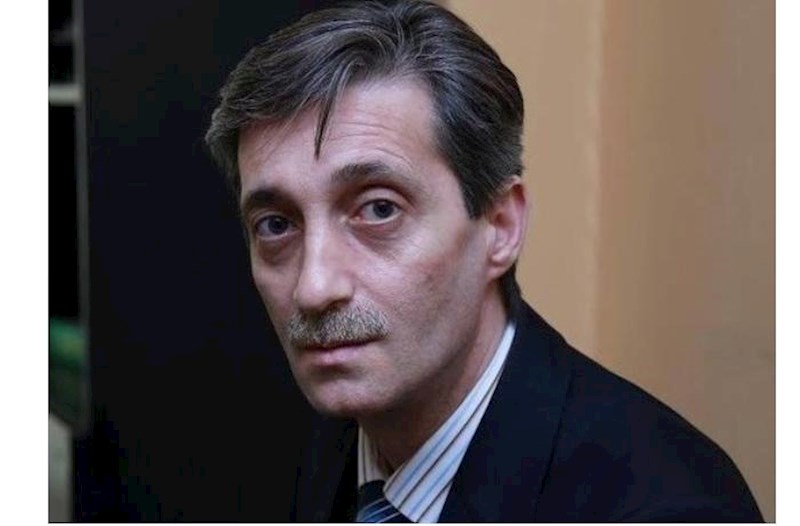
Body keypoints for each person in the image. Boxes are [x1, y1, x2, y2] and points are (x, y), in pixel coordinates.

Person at [204, 0, 762, 522]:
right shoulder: (334, 439)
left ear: (500, 227)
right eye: (276, 225)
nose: (314, 286)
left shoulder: (667, 501)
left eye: (379, 209)